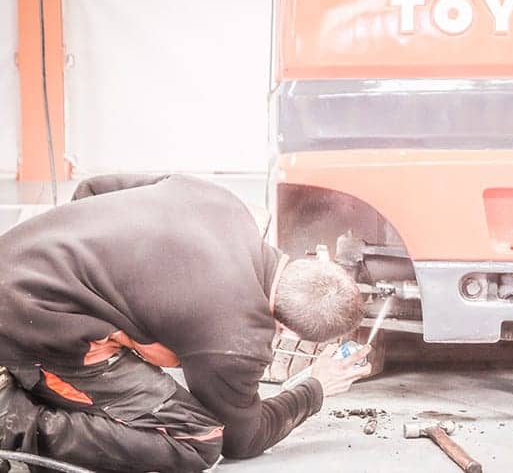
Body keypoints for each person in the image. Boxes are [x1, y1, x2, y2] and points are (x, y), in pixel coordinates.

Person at [0, 174, 372, 472]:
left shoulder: (221, 202)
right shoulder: (239, 337)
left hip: (13, 257)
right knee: (196, 439)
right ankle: (12, 421)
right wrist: (315, 387)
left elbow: (93, 188)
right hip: (28, 320)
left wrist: (96, 275)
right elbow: (241, 439)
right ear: (289, 332)